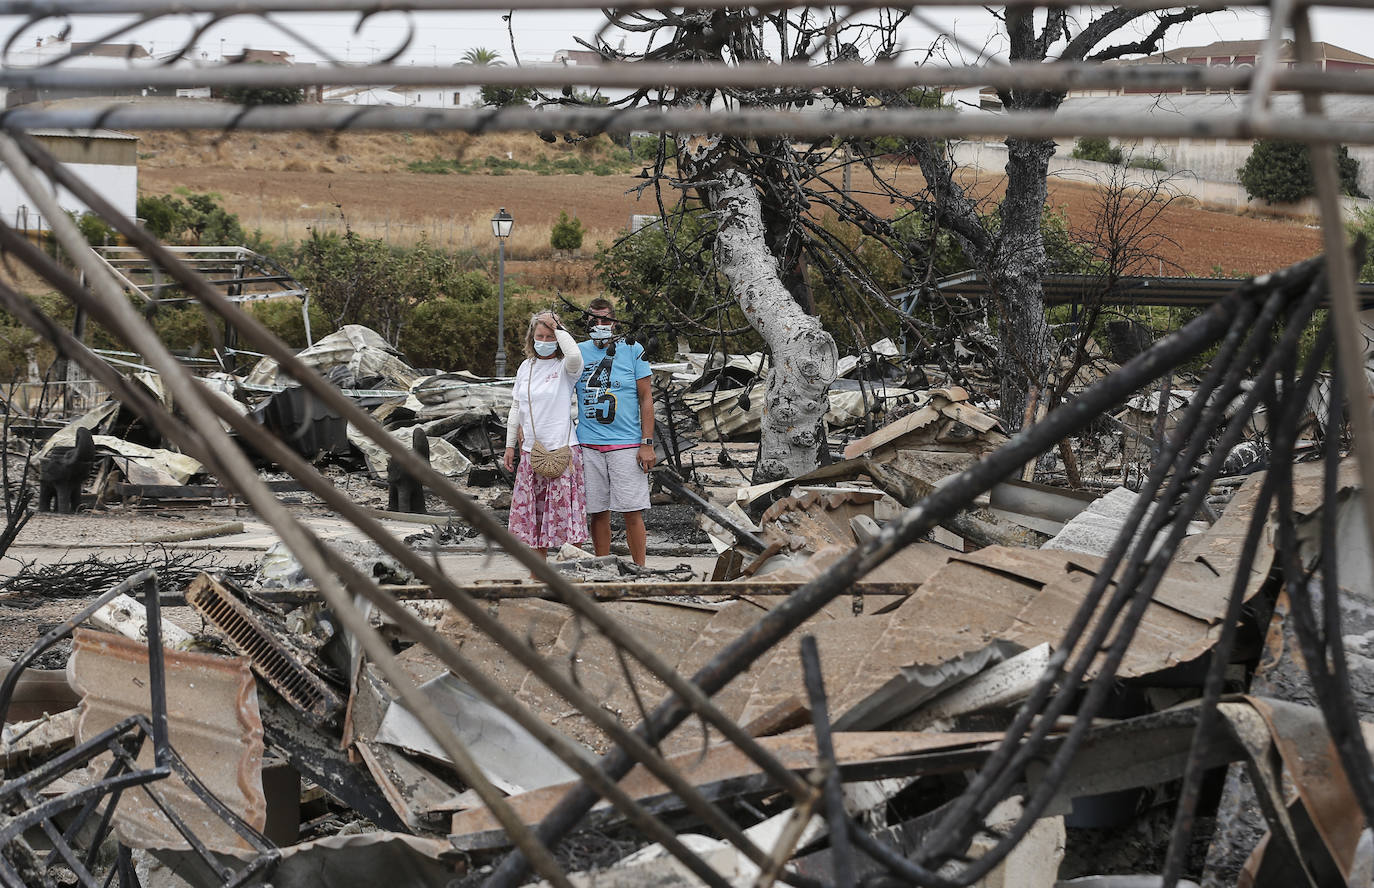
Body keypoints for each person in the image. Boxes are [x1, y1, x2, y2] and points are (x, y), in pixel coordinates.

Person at [574, 297, 656, 565]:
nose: (600, 325)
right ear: (586, 322)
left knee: (632, 511)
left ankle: (640, 568)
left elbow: (646, 398)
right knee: (597, 512)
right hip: (589, 444)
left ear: (615, 322)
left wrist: (647, 442)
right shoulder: (576, 353)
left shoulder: (633, 350)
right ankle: (602, 567)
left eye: (606, 320)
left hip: (626, 444)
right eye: (594, 320)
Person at [504, 310, 586, 558]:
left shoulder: (566, 367)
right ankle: (539, 574)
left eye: (550, 337)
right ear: (531, 337)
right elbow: (516, 407)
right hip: (532, 452)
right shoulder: (525, 367)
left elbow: (574, 354)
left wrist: (558, 327)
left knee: (568, 520)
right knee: (535, 520)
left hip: (563, 451)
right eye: (540, 336)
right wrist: (510, 445)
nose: (545, 341)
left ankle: (572, 570)